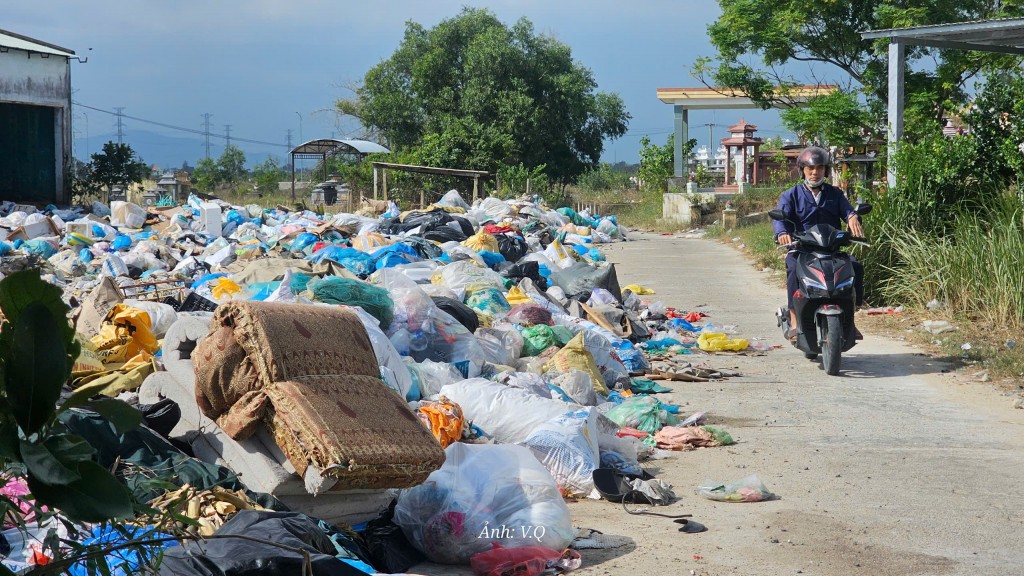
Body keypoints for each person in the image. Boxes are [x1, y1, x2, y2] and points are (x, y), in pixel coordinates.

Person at [773, 146, 864, 340]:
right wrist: (782, 232)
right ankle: (795, 320)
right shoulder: (791, 195)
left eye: (820, 168)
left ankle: (851, 320)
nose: (815, 173)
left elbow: (847, 210)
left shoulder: (835, 194)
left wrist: (852, 217)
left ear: (826, 170)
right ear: (802, 170)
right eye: (810, 168)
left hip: (831, 248)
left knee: (855, 266)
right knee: (792, 269)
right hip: (802, 249)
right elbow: (780, 217)